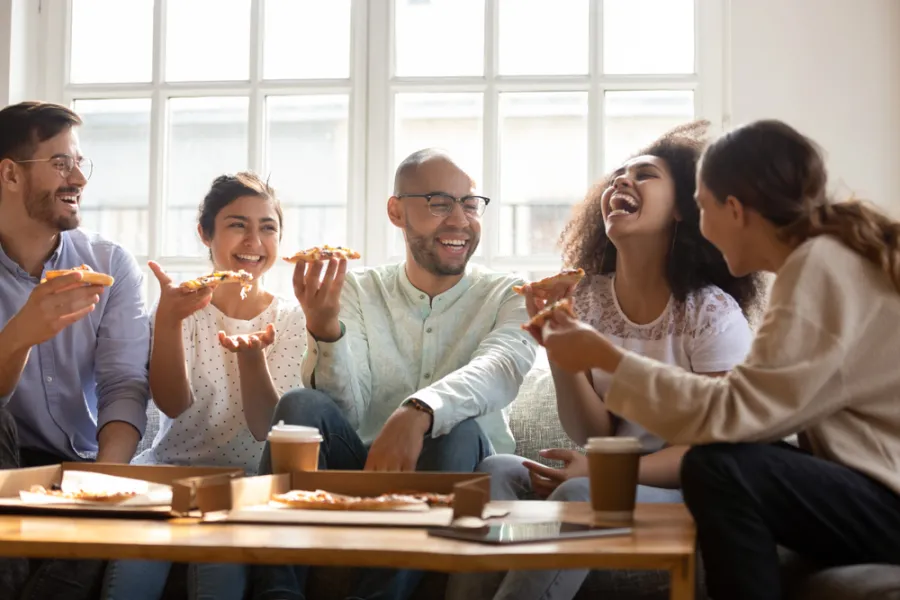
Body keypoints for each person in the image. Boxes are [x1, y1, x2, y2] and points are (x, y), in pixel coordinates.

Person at [534, 119, 900, 600]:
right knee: (721, 461)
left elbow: (734, 415)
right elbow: (752, 414)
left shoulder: (818, 266)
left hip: (886, 505)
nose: (702, 227)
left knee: (718, 466)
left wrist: (609, 359)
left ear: (733, 209)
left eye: (701, 208)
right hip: (868, 496)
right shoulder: (823, 260)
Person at [448, 121, 767, 600]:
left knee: (580, 496)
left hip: (689, 489)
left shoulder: (710, 312)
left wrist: (601, 475)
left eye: (645, 175)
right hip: (607, 478)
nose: (623, 181)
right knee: (494, 471)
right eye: (619, 174)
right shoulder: (589, 300)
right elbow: (594, 434)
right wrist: (557, 345)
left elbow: (715, 452)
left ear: (684, 208)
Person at [250, 149, 537, 600]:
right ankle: (278, 594)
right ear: (396, 211)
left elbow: (500, 366)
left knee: (457, 428)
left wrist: (421, 409)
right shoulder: (358, 290)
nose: (460, 219)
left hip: (459, 473)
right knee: (299, 406)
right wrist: (325, 331)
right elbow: (345, 408)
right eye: (440, 203)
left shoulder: (511, 293)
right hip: (363, 469)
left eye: (470, 203)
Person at [101, 173, 307, 600]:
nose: (253, 240)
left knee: (219, 580)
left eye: (267, 227)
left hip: (243, 479)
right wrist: (171, 321)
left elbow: (264, 428)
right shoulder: (181, 307)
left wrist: (251, 357)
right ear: (205, 234)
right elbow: (173, 404)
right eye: (237, 225)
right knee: (130, 581)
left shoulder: (290, 319)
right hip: (169, 470)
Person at [0, 101, 150, 598]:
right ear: (10, 174)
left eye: (80, 162)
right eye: (60, 163)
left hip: (81, 463)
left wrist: (104, 482)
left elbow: (123, 384)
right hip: (6, 457)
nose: (79, 179)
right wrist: (20, 333)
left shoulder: (110, 264)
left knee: (93, 533)